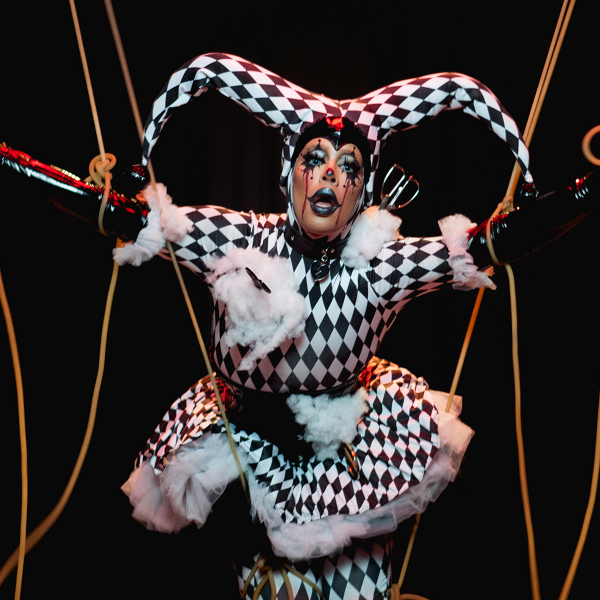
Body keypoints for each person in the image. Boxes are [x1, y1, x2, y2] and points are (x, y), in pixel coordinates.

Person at [1, 53, 594, 599]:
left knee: (355, 586)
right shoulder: (240, 239)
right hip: (248, 448)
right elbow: (125, 219)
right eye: (315, 159)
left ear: (363, 190)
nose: (330, 175)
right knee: (263, 586)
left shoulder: (380, 266)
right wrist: (17, 164)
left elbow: (492, 244)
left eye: (348, 166)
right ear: (291, 173)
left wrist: (575, 192)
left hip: (345, 457)